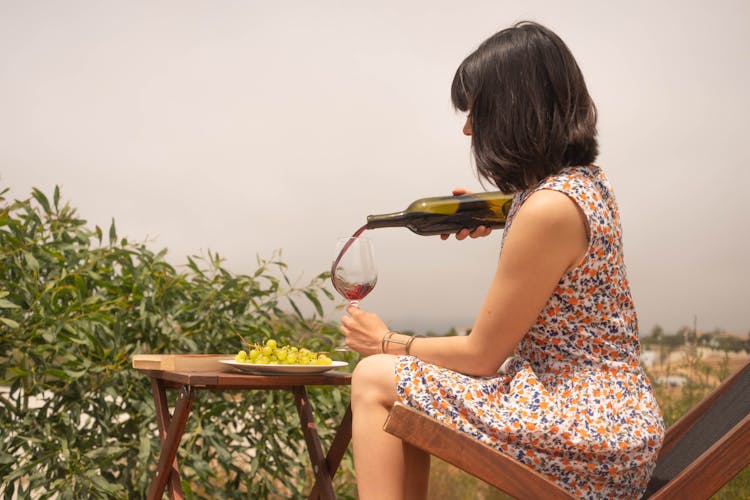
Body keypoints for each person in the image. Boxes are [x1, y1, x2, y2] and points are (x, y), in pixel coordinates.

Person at [339, 20, 664, 500]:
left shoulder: (547, 209)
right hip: (614, 420)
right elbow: (552, 232)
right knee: (403, 387)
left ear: (514, 110)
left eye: (475, 112)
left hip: (590, 430)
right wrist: (502, 213)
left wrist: (385, 341)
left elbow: (481, 356)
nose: (469, 128)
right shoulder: (584, 185)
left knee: (373, 377)